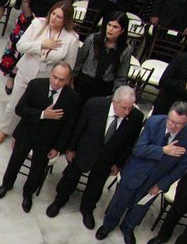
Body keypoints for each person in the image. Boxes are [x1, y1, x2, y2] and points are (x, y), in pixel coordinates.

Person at [96, 101, 187, 244]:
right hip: (135, 171)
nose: (172, 125)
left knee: (140, 208)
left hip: (156, 180)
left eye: (178, 124)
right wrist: (163, 150)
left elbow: (182, 168)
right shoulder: (154, 122)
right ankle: (108, 225)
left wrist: (161, 185)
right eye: (171, 120)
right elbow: (139, 149)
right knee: (119, 201)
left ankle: (128, 229)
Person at [46, 86, 145, 228]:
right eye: (124, 108)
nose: (127, 112)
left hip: (107, 159)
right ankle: (59, 201)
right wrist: (71, 148)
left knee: (96, 186)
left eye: (130, 108)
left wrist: (118, 164)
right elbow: (79, 127)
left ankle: (87, 209)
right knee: (69, 178)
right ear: (114, 101)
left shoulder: (136, 117)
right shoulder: (95, 104)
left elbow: (129, 144)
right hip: (83, 151)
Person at [0, 61, 80, 209]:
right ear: (51, 74)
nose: (56, 82)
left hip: (47, 140)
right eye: (54, 77)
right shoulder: (36, 85)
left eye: (61, 80)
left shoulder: (72, 97)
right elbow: (20, 109)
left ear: (68, 80)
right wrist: (43, 114)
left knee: (37, 169)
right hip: (26, 132)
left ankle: (28, 193)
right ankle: (6, 185)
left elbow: (68, 126)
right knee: (15, 161)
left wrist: (57, 147)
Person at [0, 3, 79, 143]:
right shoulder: (38, 24)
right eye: (53, 14)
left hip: (45, 79)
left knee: (34, 108)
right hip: (27, 71)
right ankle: (5, 129)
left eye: (59, 17)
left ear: (66, 20)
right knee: (14, 104)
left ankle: (19, 136)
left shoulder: (71, 38)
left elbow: (69, 65)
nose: (54, 18)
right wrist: (41, 45)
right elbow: (20, 46)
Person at [1, 0, 74, 88]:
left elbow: (64, 7)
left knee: (39, 49)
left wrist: (48, 21)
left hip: (50, 22)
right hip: (30, 16)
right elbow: (26, 0)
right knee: (18, 46)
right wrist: (31, 18)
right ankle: (11, 75)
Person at [72, 11, 134, 100]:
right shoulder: (93, 39)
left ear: (122, 30)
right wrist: (72, 80)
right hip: (83, 82)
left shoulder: (126, 49)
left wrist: (115, 94)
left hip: (104, 89)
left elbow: (121, 76)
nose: (110, 29)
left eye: (115, 27)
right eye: (109, 25)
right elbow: (79, 61)